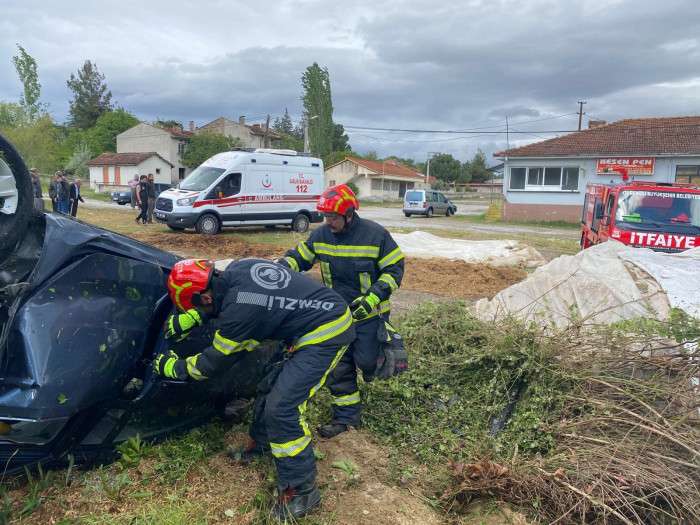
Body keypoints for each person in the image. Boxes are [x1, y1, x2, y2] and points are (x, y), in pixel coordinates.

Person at [153, 258, 355, 520]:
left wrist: (173, 367)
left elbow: (210, 364)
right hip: (312, 317)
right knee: (268, 387)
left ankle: (303, 491)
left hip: (327, 330)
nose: (200, 310)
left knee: (282, 408)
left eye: (197, 306)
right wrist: (195, 316)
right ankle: (261, 444)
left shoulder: (240, 313)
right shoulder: (237, 269)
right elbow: (235, 303)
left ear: (205, 298)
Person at [279, 184, 406, 439]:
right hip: (336, 316)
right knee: (338, 367)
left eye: (334, 217)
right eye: (326, 216)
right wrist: (278, 269)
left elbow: (394, 270)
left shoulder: (375, 235)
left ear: (349, 214)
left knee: (367, 361)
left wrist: (372, 298)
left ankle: (388, 354)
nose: (329, 222)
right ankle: (346, 418)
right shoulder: (321, 235)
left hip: (369, 314)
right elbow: (300, 258)